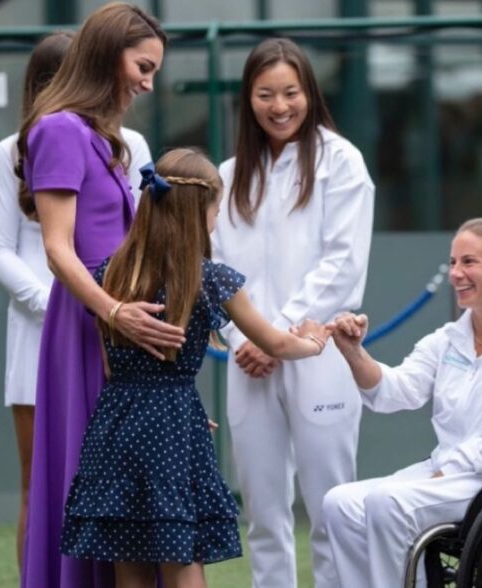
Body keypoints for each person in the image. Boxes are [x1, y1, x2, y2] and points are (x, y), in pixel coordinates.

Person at [59, 148, 330, 588]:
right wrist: (315, 341)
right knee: (181, 554)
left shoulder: (112, 274)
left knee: (130, 558)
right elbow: (275, 342)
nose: (216, 219)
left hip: (118, 426)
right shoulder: (210, 279)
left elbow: (111, 364)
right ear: (198, 212)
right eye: (216, 210)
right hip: (172, 429)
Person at [0, 31, 152, 572]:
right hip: (47, 323)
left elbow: (136, 235)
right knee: (42, 477)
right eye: (52, 80)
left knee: (113, 473)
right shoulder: (15, 148)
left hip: (109, 317)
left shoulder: (130, 144)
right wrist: (55, 300)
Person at [15, 5, 174, 588]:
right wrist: (114, 314)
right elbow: (59, 250)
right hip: (90, 327)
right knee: (92, 479)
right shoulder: (59, 129)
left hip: (119, 327)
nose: (148, 82)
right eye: (143, 65)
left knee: (123, 487)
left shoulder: (101, 136)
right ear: (110, 54)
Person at [322, 218, 482, 588]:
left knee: (387, 502)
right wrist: (353, 352)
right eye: (453, 262)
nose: (456, 273)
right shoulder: (449, 338)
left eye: (469, 262)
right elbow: (393, 393)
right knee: (339, 502)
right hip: (453, 475)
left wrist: (438, 474)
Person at [211, 38, 375, 588]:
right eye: (265, 94)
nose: (279, 107)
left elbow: (343, 262)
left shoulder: (341, 162)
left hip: (319, 350)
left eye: (290, 92)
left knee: (330, 503)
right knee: (262, 508)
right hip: (248, 360)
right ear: (248, 98)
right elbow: (211, 267)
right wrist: (242, 339)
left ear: (309, 92)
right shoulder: (229, 175)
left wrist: (275, 333)